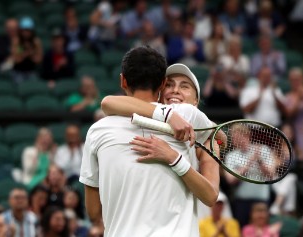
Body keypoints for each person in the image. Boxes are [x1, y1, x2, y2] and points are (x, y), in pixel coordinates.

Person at [80, 46, 220, 236]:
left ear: (123, 81)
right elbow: (107, 102)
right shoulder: (184, 115)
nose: (176, 91)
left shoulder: (96, 131)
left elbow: (94, 211)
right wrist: (168, 114)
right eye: (170, 85)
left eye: (184, 86)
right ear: (162, 85)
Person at [11, 17, 43, 83]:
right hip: (18, 71)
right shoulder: (17, 41)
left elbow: (39, 59)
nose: (26, 33)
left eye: (28, 30)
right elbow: (16, 59)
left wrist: (31, 53)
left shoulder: (36, 42)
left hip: (31, 71)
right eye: (24, 30)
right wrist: (25, 53)